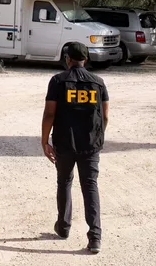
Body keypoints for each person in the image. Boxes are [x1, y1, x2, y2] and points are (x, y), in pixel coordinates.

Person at [41, 41, 108, 254]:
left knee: (64, 181)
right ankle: (95, 237)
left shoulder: (58, 81)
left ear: (68, 59)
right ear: (85, 60)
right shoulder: (98, 83)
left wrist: (44, 140)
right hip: (90, 144)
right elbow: (105, 115)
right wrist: (98, 136)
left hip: (64, 142)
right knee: (90, 186)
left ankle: (63, 227)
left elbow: (50, 113)